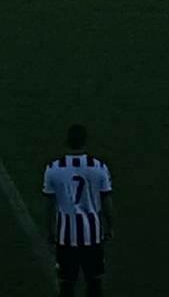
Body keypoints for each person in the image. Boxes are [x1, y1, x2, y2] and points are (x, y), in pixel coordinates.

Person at [43, 124, 114, 297]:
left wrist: (51, 230)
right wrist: (110, 226)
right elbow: (106, 202)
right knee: (95, 283)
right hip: (92, 236)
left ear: (67, 141)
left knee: (66, 285)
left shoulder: (53, 169)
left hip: (65, 237)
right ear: (85, 141)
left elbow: (50, 204)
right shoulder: (99, 167)